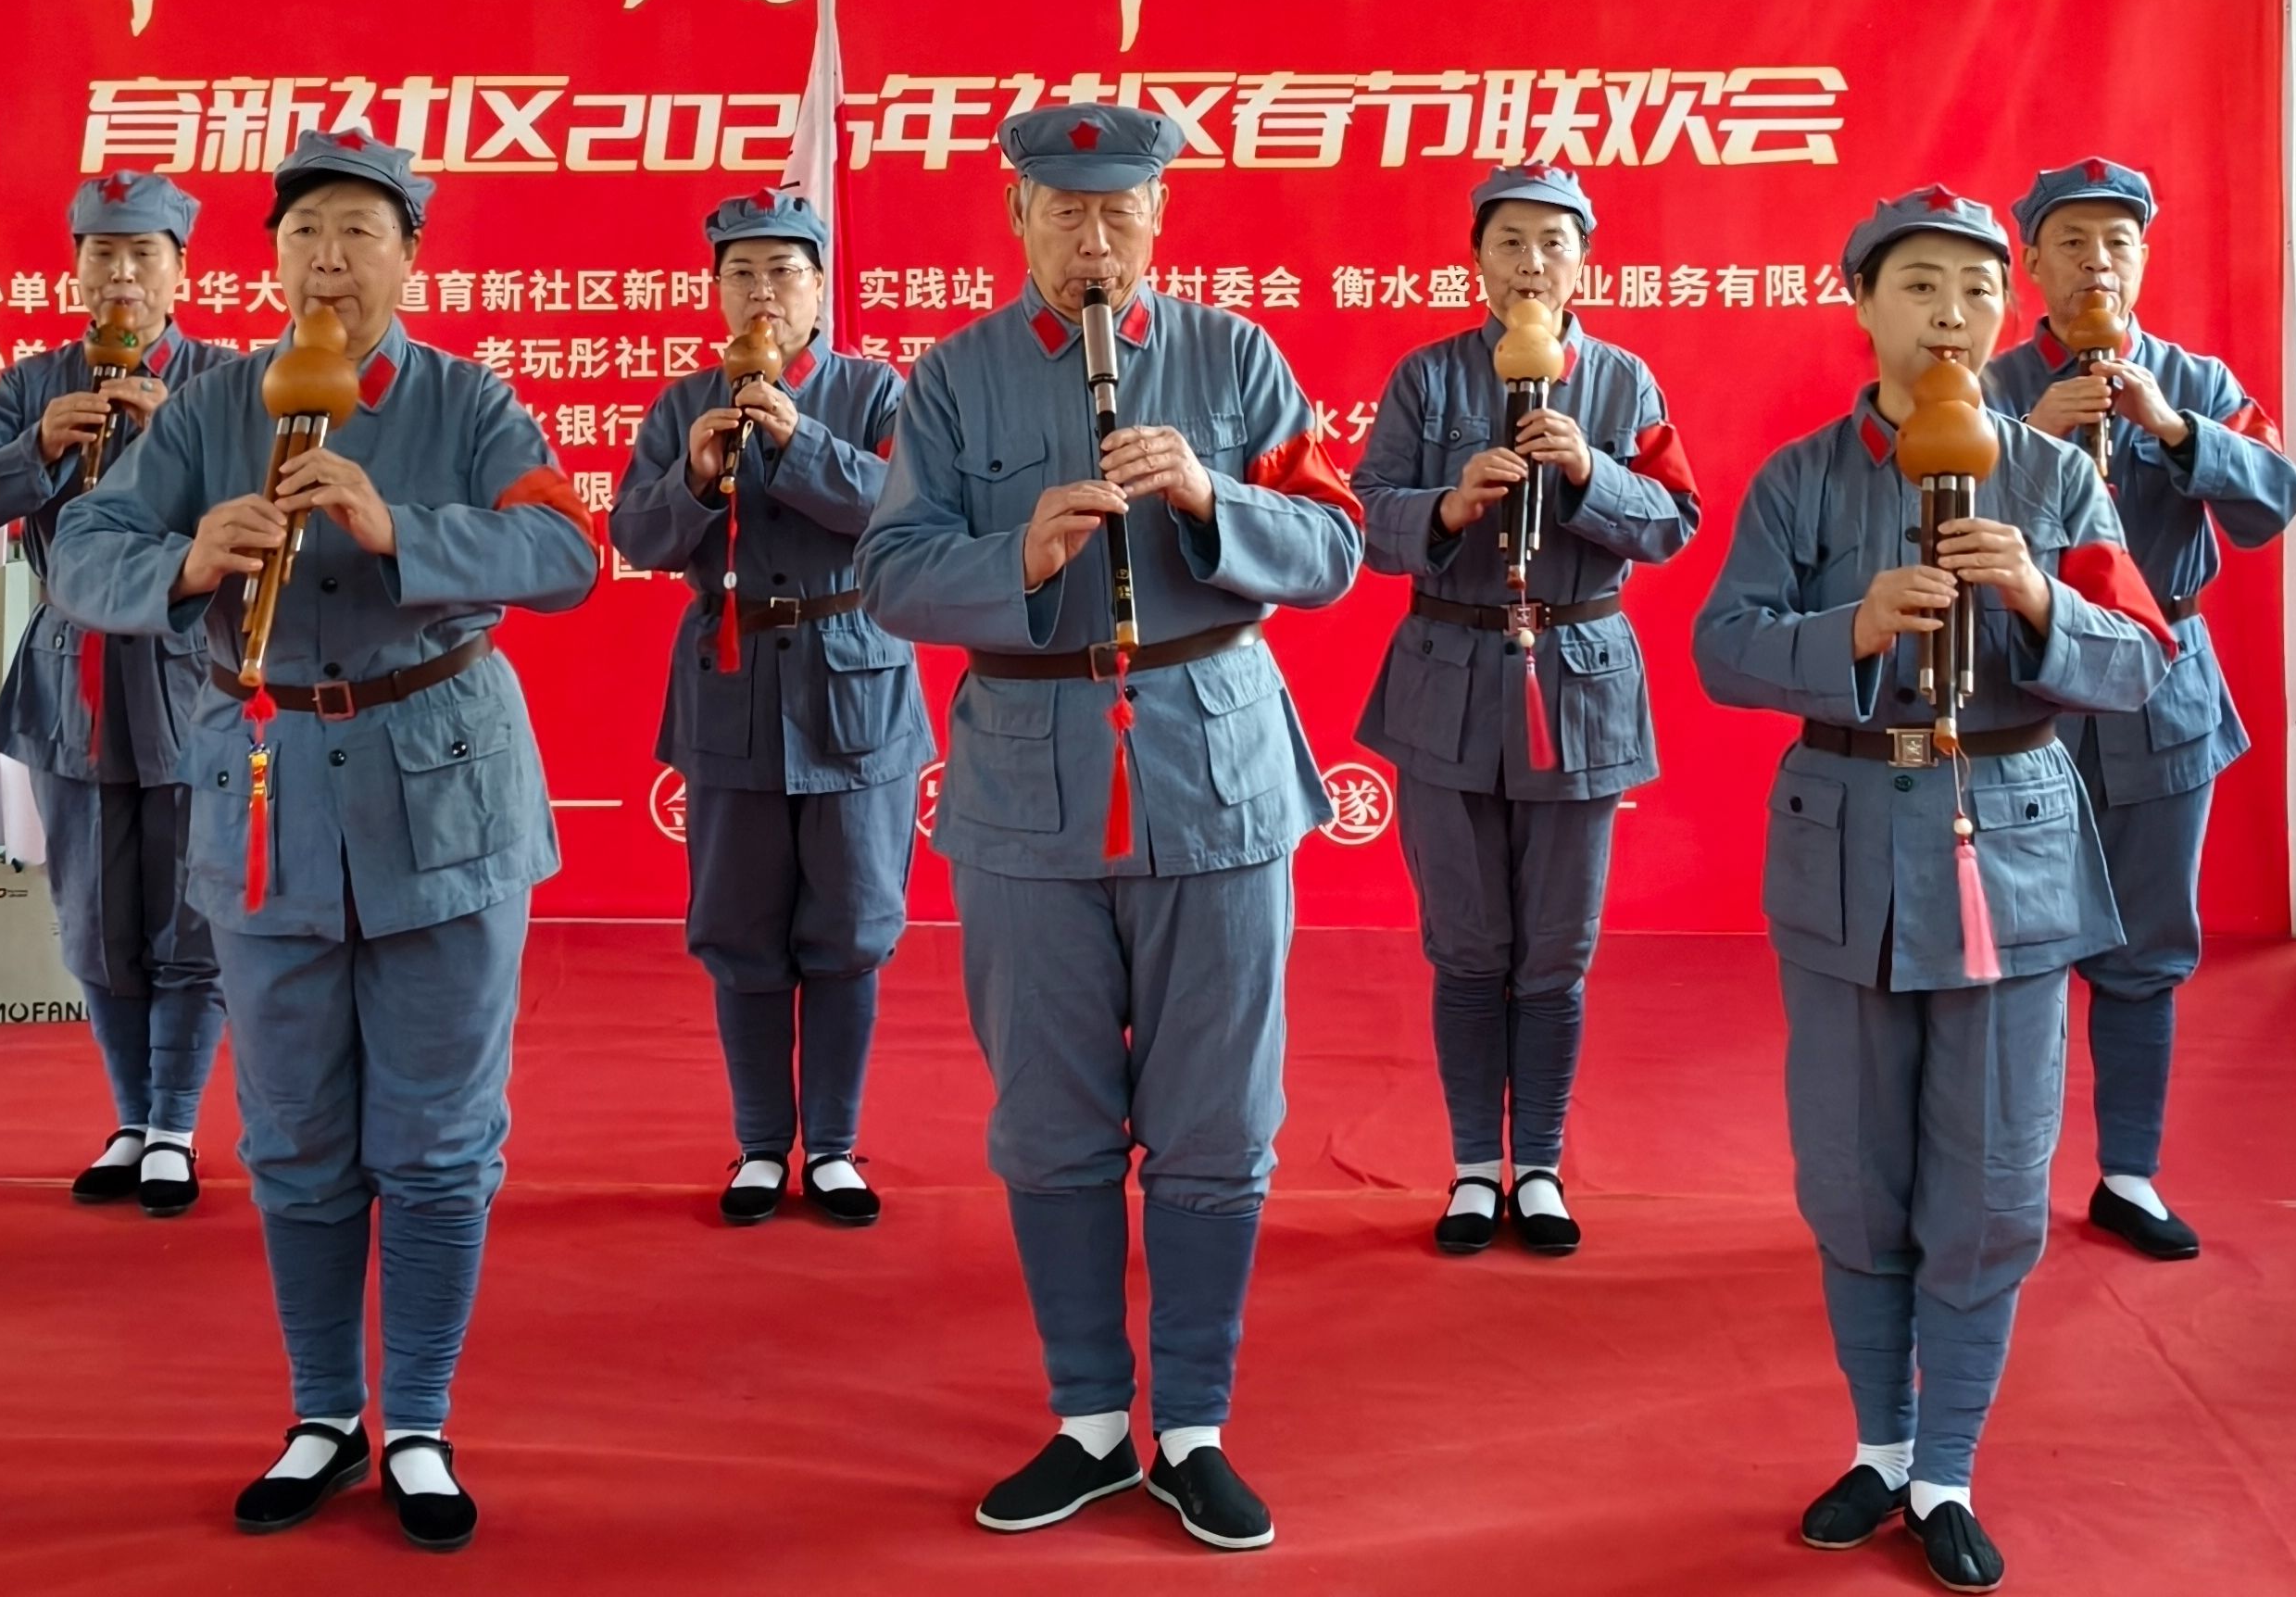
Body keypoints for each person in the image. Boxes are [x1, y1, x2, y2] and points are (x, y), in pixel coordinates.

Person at [49, 129, 598, 1553]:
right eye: (305, 236)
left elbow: (566, 553)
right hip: (267, 795)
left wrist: (397, 525)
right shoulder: (210, 409)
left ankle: (417, 1419)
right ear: (272, 261)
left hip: (445, 793)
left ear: (409, 257)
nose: (330, 261)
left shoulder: (469, 402)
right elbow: (84, 552)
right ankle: (322, 1412)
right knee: (293, 1132)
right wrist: (186, 556)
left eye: (360, 233)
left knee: (438, 1135)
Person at [859, 103, 1363, 1554]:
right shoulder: (952, 379)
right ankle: (1089, 1417)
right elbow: (891, 574)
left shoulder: (1235, 356)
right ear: (1017, 220)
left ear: (1159, 221)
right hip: (1028, 780)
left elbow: (1335, 544)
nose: (1093, 239)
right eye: (1064, 213)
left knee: (1219, 1119)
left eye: (1118, 213)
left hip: (1216, 762)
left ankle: (1193, 1424)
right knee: (1050, 1115)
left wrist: (1210, 498)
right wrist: (1012, 555)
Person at [1689, 186, 2167, 1595]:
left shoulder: (2055, 478)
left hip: (2006, 842)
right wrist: (1849, 627)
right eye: (1919, 286)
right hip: (1842, 837)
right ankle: (1880, 1447)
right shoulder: (1799, 478)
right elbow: (1722, 648)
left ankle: (1948, 1466)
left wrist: (2039, 598)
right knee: (1852, 1172)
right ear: (1862, 304)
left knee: (1994, 1176)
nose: (1952, 314)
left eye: (1975, 289)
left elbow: (2142, 660)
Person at [1349, 163, 1698, 1257]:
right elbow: (1360, 515)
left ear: (1583, 261)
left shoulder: (1623, 381)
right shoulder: (1426, 377)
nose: (1531, 263)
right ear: (1477, 260)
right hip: (1446, 681)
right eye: (1509, 242)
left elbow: (1673, 520)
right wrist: (1447, 505)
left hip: (1578, 682)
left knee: (1553, 950)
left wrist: (1590, 471)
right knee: (1466, 946)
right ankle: (1470, 1166)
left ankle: (1537, 1165)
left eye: (1553, 242)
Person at [1977, 158, 2296, 1262]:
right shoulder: (1986, 385)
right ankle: (2000, 1178)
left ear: (2144, 259)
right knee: (2008, 946)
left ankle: (2128, 1172)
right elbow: (1918, 520)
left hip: (2164, 687)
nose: (2096, 262)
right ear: (2031, 262)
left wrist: (2174, 430)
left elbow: (2274, 501)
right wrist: (2030, 434)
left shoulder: (2194, 379)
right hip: (2023, 687)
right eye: (2071, 242)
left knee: (2148, 943)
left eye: (2117, 241)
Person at [0, 170, 239, 1216]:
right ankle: (131, 1117)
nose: (122, 275)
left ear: (180, 271)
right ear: (75, 268)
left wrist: (176, 443)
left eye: (144, 254)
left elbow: (273, 516)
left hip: (193, 675)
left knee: (190, 910)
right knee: (96, 917)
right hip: (74, 676)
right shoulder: (34, 384)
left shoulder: (224, 382)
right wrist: (37, 447)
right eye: (103, 253)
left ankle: (176, 1125)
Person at [610, 189, 924, 1226]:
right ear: (715, 291)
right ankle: (758, 1145)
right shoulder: (682, 404)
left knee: (852, 924)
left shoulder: (876, 393)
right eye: (741, 273)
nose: (762, 293)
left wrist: (797, 441)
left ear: (821, 290)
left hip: (852, 682)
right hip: (730, 684)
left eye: (784, 272)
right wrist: (697, 484)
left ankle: (831, 1147)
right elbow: (636, 538)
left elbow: (905, 511)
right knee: (739, 926)